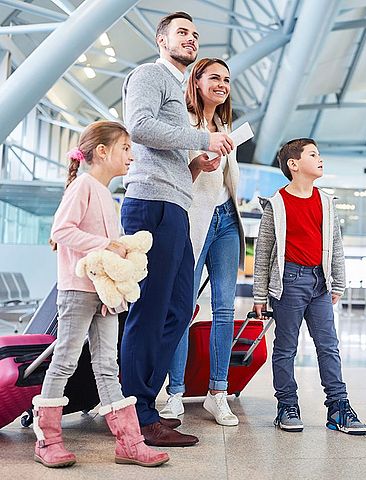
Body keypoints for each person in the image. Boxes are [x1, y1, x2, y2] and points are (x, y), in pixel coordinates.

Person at [120, 11, 234, 447]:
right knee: (150, 310)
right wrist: (201, 140)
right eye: (182, 33)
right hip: (150, 205)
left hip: (174, 204)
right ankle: (136, 411)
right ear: (161, 39)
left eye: (195, 34)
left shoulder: (173, 87)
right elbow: (140, 126)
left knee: (177, 309)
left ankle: (145, 403)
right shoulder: (151, 74)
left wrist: (195, 163)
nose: (191, 39)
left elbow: (167, 152)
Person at [33, 121, 168, 469]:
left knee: (108, 366)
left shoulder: (105, 193)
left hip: (105, 295)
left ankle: (130, 442)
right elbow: (62, 230)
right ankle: (47, 440)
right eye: (125, 148)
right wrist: (106, 244)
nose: (131, 156)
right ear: (103, 152)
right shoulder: (83, 186)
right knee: (64, 360)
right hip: (78, 290)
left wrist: (117, 284)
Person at [253, 138, 366, 435]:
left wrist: (338, 282)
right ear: (294, 165)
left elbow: (336, 246)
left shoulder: (326, 202)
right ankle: (287, 405)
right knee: (286, 348)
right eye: (313, 154)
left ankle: (339, 406)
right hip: (289, 282)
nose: (320, 159)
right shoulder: (277, 204)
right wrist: (259, 296)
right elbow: (264, 252)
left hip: (320, 282)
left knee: (328, 346)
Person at [160, 58, 244, 426]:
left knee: (225, 308)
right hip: (195, 220)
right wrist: (199, 166)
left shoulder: (225, 126)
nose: (222, 84)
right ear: (197, 81)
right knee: (183, 305)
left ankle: (217, 392)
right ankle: (174, 392)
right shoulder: (183, 124)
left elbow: (229, 179)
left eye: (226, 79)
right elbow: (178, 177)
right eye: (214, 77)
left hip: (226, 219)